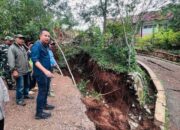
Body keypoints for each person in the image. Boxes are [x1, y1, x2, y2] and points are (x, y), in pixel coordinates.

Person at [31, 29, 55, 119]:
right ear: (40, 36)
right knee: (42, 91)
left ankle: (44, 104)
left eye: (49, 36)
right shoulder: (36, 46)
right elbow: (35, 61)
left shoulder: (45, 45)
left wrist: (50, 67)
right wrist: (45, 71)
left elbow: (45, 58)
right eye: (45, 35)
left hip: (46, 73)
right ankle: (39, 113)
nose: (47, 37)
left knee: (46, 89)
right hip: (41, 73)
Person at [8, 34, 33, 106]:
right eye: (20, 38)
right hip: (18, 71)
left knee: (27, 84)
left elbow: (26, 58)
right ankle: (19, 99)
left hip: (26, 70)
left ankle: (25, 95)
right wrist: (14, 70)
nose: (22, 40)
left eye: (23, 38)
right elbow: (11, 60)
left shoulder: (22, 47)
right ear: (15, 39)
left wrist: (29, 67)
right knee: (20, 86)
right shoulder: (12, 48)